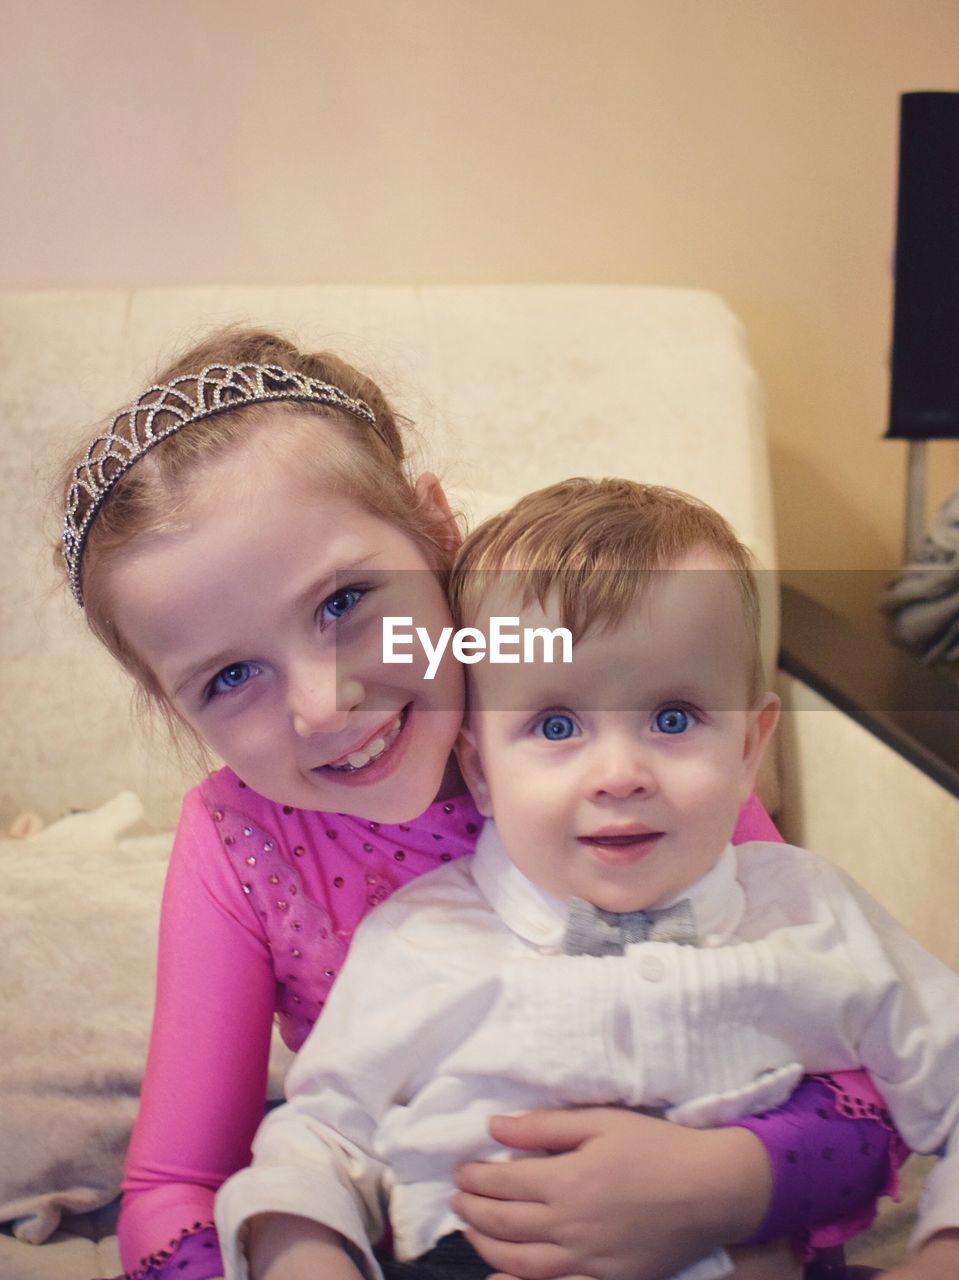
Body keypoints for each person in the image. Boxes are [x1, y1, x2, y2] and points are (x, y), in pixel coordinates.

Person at [57, 329, 901, 1280]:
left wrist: (726, 1183)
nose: (323, 703)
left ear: (437, 531)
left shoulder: (620, 743)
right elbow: (172, 1187)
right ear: (175, 706)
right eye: (231, 677)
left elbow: (861, 1065)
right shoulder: (239, 839)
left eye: (343, 603)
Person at [214, 478, 959, 1280]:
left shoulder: (808, 909)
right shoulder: (417, 938)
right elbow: (322, 1135)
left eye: (673, 718)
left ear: (749, 749)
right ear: (481, 767)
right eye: (556, 725)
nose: (618, 774)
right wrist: (306, 1250)